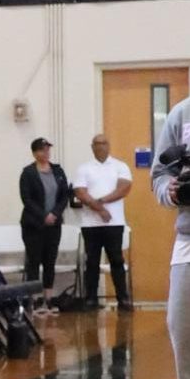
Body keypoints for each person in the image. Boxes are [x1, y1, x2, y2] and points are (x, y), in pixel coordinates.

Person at [154, 96, 190, 379]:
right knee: (186, 341)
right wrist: (172, 190)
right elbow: (160, 175)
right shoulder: (182, 114)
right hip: (189, 245)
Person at [73, 131, 133, 309]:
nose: (101, 146)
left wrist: (101, 202)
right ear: (92, 148)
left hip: (114, 223)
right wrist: (100, 210)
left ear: (109, 146)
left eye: (104, 143)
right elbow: (80, 192)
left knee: (116, 260)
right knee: (92, 261)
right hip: (90, 224)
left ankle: (123, 298)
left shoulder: (120, 166)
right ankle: (91, 298)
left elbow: (124, 188)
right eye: (97, 144)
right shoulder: (83, 168)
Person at [19, 136, 69, 298]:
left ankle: (48, 298)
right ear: (35, 153)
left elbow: (64, 196)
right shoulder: (28, 173)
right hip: (33, 225)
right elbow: (27, 199)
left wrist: (55, 214)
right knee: (34, 261)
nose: (46, 152)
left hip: (54, 225)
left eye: (47, 149)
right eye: (42, 149)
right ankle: (33, 299)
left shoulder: (58, 171)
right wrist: (43, 216)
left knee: (50, 261)